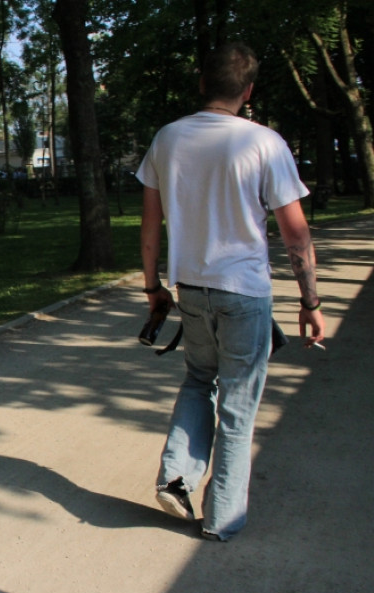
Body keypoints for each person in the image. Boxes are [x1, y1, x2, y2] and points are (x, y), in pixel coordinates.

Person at [137, 42, 325, 541]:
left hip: (192, 290)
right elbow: (296, 235)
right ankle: (221, 519)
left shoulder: (167, 139)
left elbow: (149, 225)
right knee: (239, 404)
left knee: (199, 380)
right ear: (248, 90)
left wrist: (153, 287)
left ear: (202, 83)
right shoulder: (265, 143)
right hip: (244, 293)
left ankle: (175, 476)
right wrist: (310, 303)